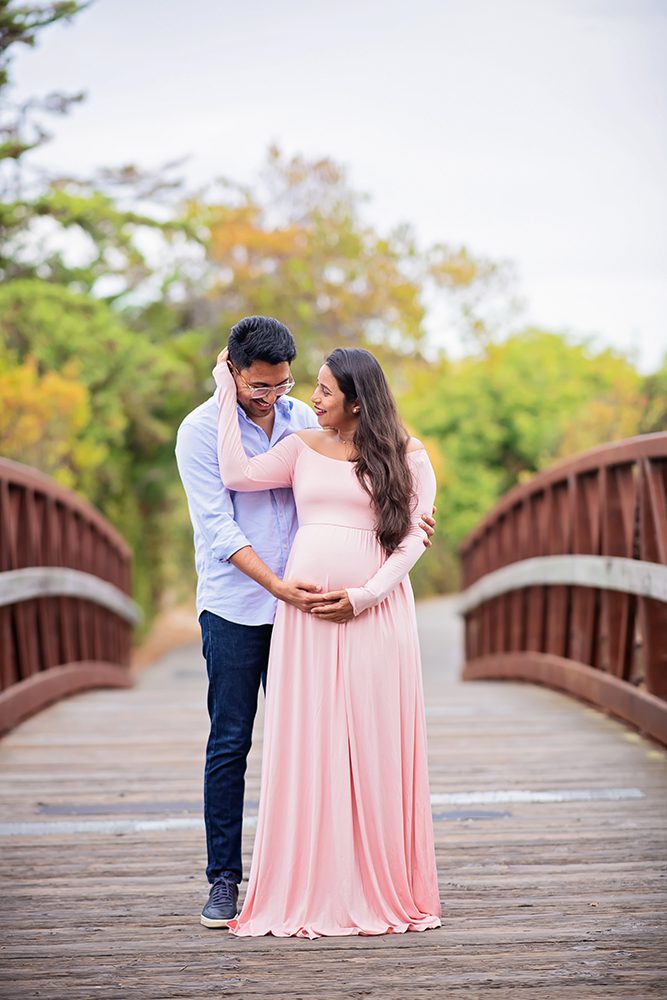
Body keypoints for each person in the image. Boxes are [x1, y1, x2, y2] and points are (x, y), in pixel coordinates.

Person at [175, 316, 435, 928]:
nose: (274, 398)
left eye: (284, 385)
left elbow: (371, 479)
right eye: (257, 387)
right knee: (232, 740)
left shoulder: (304, 420)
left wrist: (408, 517)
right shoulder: (201, 429)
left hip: (314, 617)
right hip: (241, 605)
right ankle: (224, 880)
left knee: (318, 741)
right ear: (233, 371)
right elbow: (219, 525)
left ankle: (325, 875)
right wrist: (276, 587)